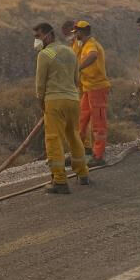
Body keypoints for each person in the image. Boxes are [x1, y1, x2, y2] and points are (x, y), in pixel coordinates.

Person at [34, 22, 89, 194]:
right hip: (73, 99)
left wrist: (41, 103)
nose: (36, 40)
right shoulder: (71, 51)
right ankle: (83, 174)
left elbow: (40, 85)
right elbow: (76, 79)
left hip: (54, 100)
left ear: (48, 35)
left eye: (38, 36)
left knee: (53, 138)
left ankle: (59, 181)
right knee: (73, 135)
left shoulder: (44, 54)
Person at [73, 21, 110, 167]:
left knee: (98, 123)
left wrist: (78, 68)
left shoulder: (91, 45)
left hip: (97, 88)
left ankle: (98, 155)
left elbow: (93, 56)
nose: (75, 35)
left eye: (76, 32)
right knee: (81, 120)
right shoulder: (83, 45)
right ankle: (78, 153)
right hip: (88, 88)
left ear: (82, 32)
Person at [62, 18, 93, 157]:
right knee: (81, 117)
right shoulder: (73, 45)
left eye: (69, 33)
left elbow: (81, 62)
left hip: (83, 84)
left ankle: (85, 147)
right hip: (78, 84)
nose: (68, 36)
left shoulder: (81, 44)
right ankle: (83, 146)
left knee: (82, 116)